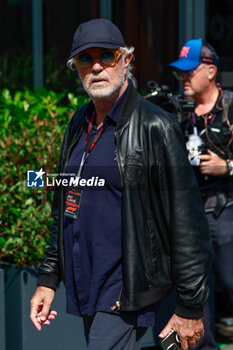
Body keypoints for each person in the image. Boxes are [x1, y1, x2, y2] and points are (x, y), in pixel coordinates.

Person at [30, 20, 213, 350]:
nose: (97, 66)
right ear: (76, 69)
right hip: (86, 282)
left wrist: (190, 306)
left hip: (125, 288)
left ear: (126, 61)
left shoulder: (155, 126)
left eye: (107, 56)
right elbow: (64, 208)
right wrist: (47, 279)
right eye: (85, 59)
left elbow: (188, 221)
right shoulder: (79, 123)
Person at [168, 38, 233, 349]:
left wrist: (228, 167)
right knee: (196, 289)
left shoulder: (230, 107)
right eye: (179, 72)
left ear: (210, 71)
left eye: (189, 71)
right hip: (188, 216)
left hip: (224, 210)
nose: (183, 78)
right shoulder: (177, 112)